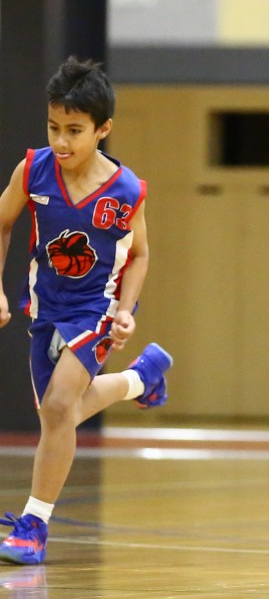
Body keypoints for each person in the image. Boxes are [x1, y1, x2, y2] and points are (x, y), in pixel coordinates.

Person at [0, 57, 173, 566]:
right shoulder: (33, 170)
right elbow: (2, 222)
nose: (61, 141)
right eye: (53, 127)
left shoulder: (126, 190)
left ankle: (34, 525)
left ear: (103, 129)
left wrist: (125, 310)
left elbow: (140, 254)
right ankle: (141, 379)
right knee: (61, 414)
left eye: (74, 131)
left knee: (58, 409)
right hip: (45, 307)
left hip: (96, 307)